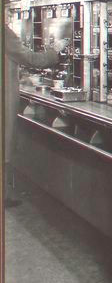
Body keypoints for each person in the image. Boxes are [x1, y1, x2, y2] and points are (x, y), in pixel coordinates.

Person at [3, 24, 68, 207]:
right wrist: (54, 50)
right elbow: (32, 59)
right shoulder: (4, 32)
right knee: (5, 145)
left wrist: (17, 75)